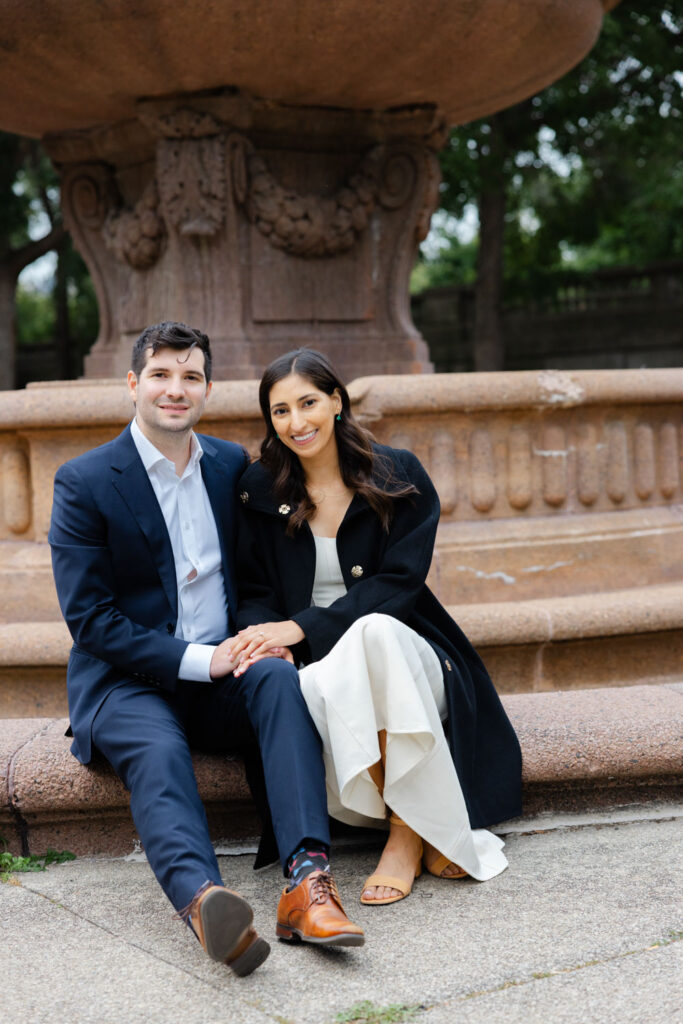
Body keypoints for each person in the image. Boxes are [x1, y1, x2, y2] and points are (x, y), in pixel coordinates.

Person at [48, 323, 364, 977]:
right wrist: (202, 660)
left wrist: (257, 637)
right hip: (124, 678)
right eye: (160, 374)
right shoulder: (83, 483)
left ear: (208, 390)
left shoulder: (231, 469)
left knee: (280, 679)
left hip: (224, 670)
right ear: (133, 384)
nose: (175, 388)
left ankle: (308, 884)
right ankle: (203, 903)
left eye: (190, 376)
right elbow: (91, 622)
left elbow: (260, 574)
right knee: (158, 748)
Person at [228, 348, 523, 906]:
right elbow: (252, 592)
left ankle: (405, 838)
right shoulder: (259, 490)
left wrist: (301, 626)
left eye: (309, 403)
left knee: (375, 632)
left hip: (411, 660)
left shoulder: (396, 473)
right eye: (281, 411)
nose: (297, 423)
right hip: (319, 673)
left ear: (337, 401)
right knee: (359, 645)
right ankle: (431, 823)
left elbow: (399, 584)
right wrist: (272, 640)